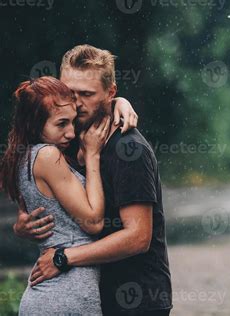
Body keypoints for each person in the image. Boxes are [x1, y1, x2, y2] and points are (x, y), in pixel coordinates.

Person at [14, 44, 173, 316]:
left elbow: (138, 237)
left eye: (86, 94)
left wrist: (64, 257)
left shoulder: (128, 151)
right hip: (89, 295)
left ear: (111, 93)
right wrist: (22, 225)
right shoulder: (68, 137)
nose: (76, 102)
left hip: (135, 297)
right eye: (69, 92)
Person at [0, 76, 112, 314]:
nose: (71, 133)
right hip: (64, 296)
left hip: (54, 296)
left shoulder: (23, 156)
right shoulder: (48, 156)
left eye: (72, 122)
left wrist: (120, 101)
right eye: (61, 124)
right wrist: (93, 156)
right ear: (34, 125)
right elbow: (93, 222)